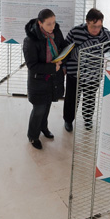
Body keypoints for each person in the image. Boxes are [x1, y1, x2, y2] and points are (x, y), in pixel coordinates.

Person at [63, 9, 110, 132]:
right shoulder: (75, 32)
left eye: (99, 26)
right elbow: (65, 50)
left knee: (90, 97)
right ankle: (68, 119)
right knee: (72, 97)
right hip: (75, 72)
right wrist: (64, 67)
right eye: (93, 26)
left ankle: (88, 118)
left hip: (94, 73)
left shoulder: (107, 35)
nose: (96, 30)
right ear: (87, 22)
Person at [23, 8, 67, 150]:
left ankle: (44, 128)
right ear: (40, 23)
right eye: (49, 24)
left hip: (53, 80)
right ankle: (33, 136)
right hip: (39, 81)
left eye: (54, 22)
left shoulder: (56, 32)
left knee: (47, 105)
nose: (52, 27)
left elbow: (62, 45)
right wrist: (52, 68)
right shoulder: (30, 40)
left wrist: (65, 55)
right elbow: (32, 65)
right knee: (39, 109)